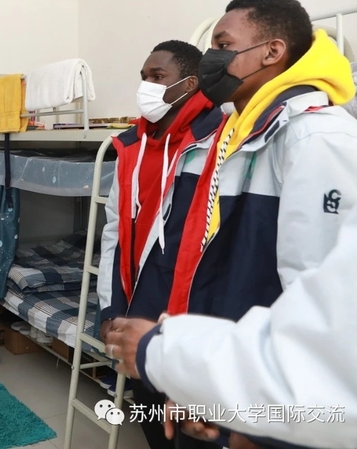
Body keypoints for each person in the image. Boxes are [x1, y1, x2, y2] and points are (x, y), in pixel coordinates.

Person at [105, 0, 357, 446]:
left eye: (223, 45)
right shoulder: (228, 137)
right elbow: (196, 259)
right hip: (220, 373)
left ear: (272, 51)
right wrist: (191, 368)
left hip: (263, 398)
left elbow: (321, 313)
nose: (212, 58)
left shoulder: (318, 138)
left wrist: (254, 417)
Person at [103, 172, 357, 448]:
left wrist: (165, 355)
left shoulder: (316, 150)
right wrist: (198, 382)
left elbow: (329, 356)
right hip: (215, 359)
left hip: (232, 370)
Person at [97, 40, 224, 449]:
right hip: (138, 307)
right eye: (143, 77)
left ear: (189, 84)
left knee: (195, 431)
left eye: (157, 77)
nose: (146, 86)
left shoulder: (219, 139)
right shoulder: (130, 147)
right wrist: (110, 309)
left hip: (193, 315)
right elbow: (114, 233)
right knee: (152, 417)